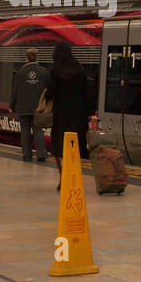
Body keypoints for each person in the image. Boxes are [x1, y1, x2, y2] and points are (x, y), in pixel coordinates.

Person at [43, 43, 95, 190]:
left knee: (57, 148)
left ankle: (63, 177)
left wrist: (46, 96)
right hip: (79, 115)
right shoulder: (80, 69)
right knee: (75, 148)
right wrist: (89, 112)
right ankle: (73, 177)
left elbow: (51, 91)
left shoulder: (55, 71)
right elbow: (87, 92)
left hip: (61, 115)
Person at [10, 48, 49, 163]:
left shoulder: (20, 72)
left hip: (23, 107)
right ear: (36, 57)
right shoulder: (44, 71)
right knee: (38, 130)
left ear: (26, 57)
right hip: (38, 107)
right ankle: (41, 154)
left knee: (25, 130)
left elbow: (15, 91)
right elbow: (48, 90)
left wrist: (12, 106)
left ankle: (26, 155)